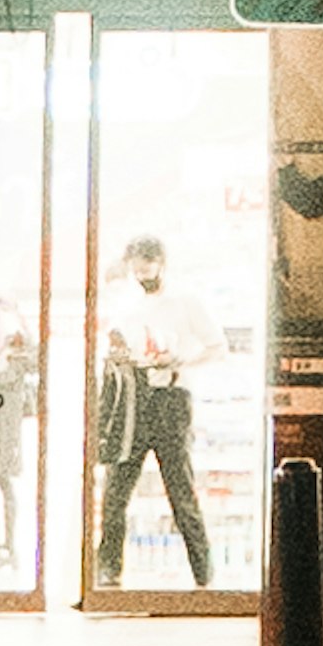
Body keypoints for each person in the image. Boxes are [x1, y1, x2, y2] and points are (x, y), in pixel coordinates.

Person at [94, 238, 213, 588]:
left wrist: (181, 360)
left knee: (180, 488)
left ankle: (204, 572)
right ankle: (109, 570)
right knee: (117, 489)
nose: (141, 275)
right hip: (135, 396)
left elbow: (215, 345)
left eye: (146, 268)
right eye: (136, 270)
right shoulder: (127, 305)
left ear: (161, 263)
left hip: (171, 396)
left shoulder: (184, 302)